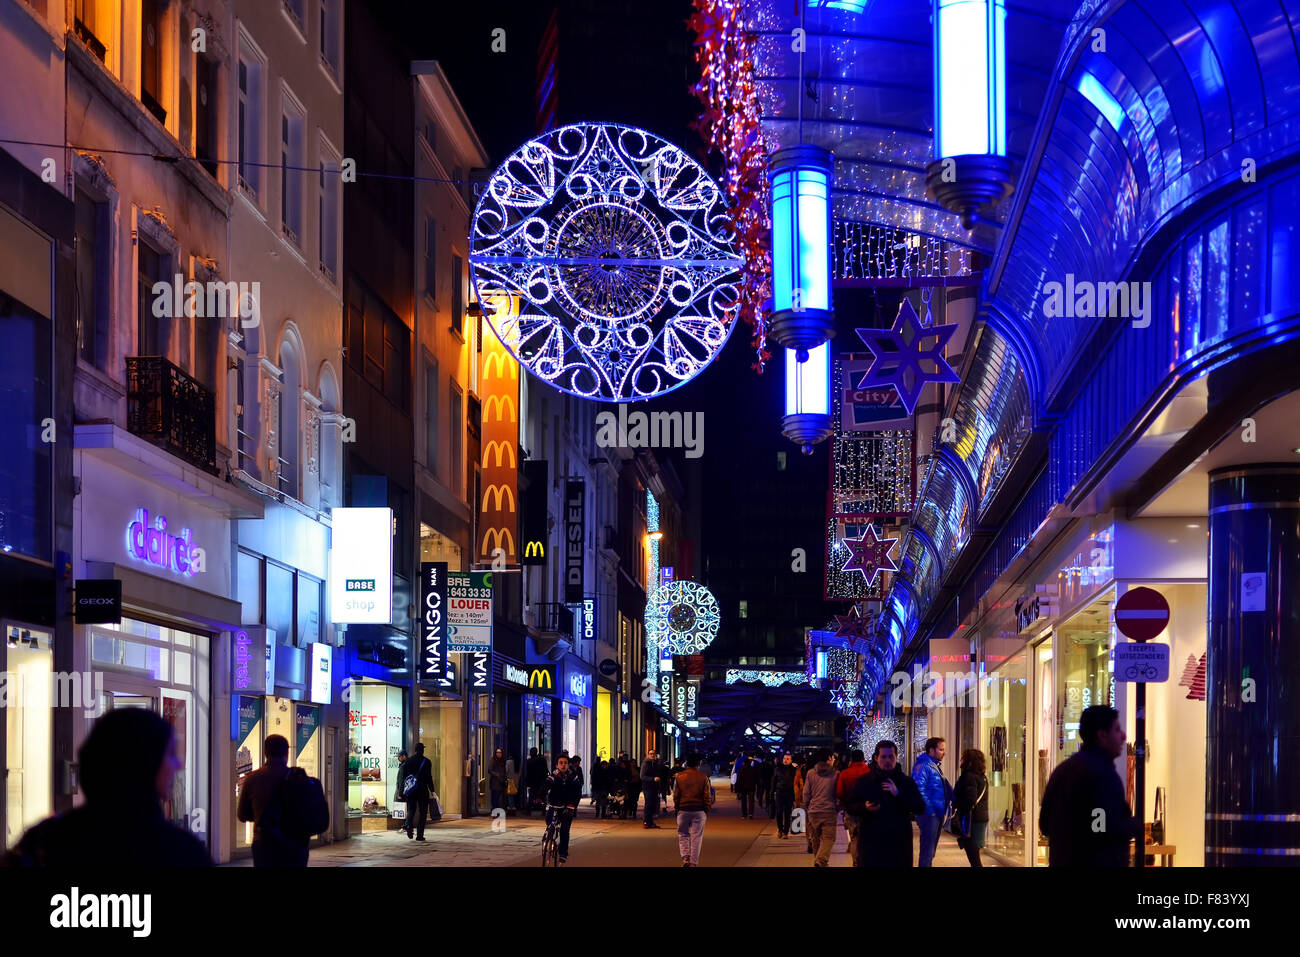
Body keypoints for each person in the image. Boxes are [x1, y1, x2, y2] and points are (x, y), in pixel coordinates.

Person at [5, 708, 211, 867]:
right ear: (145, 762)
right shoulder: (179, 851)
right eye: (170, 754)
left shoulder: (45, 841)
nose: (177, 764)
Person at [1040, 705, 1136, 867]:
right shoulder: (1102, 775)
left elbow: (1045, 824)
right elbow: (1100, 829)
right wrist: (1131, 826)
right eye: (1117, 730)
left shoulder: (1062, 771)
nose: (1123, 736)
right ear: (1102, 735)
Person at [237, 733, 330, 866]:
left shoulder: (252, 778)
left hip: (265, 844)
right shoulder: (299, 779)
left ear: (265, 752)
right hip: (295, 844)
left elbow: (242, 815)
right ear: (286, 753)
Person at [845, 740, 925, 867]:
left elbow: (919, 807)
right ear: (876, 758)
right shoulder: (864, 782)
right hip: (872, 842)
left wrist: (898, 794)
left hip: (898, 843)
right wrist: (864, 807)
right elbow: (850, 806)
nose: (887, 760)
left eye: (891, 756)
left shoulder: (906, 782)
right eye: (883, 757)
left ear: (896, 757)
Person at [912, 737, 951, 867]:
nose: (944, 753)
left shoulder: (933, 765)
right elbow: (918, 788)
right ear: (931, 750)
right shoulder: (924, 765)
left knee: (930, 851)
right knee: (927, 851)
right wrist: (930, 811)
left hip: (936, 814)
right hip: (929, 815)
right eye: (941, 749)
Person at [800, 748, 840, 866]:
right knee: (829, 838)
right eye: (833, 758)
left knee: (816, 839)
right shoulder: (836, 773)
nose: (833, 760)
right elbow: (839, 793)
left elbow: (806, 792)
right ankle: (821, 860)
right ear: (829, 758)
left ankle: (819, 861)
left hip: (813, 811)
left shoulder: (811, 773)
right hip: (829, 810)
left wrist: (806, 806)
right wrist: (838, 806)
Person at [672, 752, 713, 866]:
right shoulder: (703, 777)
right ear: (698, 764)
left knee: (683, 834)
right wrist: (706, 809)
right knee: (696, 837)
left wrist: (677, 808)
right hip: (698, 810)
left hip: (683, 809)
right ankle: (693, 862)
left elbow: (676, 795)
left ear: (686, 764)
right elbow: (707, 796)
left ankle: (685, 858)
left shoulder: (679, 777)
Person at [953, 749, 989, 867]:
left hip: (972, 819)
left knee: (973, 855)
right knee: (974, 853)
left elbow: (970, 800)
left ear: (969, 761)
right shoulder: (982, 777)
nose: (961, 760)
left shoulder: (969, 777)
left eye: (963, 757)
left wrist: (957, 804)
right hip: (979, 818)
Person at [836, 749, 872, 865]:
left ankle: (856, 862)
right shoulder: (869, 772)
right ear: (863, 758)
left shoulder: (845, 773)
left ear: (851, 759)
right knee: (867, 838)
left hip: (851, 810)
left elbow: (840, 792)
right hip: (868, 810)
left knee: (854, 837)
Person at [545, 755, 583, 864]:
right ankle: (549, 837)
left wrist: (573, 805)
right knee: (549, 822)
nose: (563, 765)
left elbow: (577, 792)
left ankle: (563, 853)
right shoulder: (553, 775)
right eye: (560, 763)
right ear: (557, 765)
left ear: (568, 764)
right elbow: (545, 785)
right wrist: (539, 797)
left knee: (564, 831)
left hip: (567, 807)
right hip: (553, 805)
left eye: (565, 763)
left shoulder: (573, 777)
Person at [397, 743, 435, 840]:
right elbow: (429, 777)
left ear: (415, 750)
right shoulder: (427, 762)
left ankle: (409, 826)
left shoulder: (408, 761)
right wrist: (432, 790)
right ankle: (419, 835)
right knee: (423, 812)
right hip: (422, 790)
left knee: (411, 809)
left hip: (411, 790)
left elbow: (403, 779)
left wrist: (401, 792)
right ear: (422, 750)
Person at [772, 753, 798, 839]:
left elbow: (798, 781)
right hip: (780, 792)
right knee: (779, 812)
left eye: (788, 759)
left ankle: (786, 832)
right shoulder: (778, 769)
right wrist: (772, 792)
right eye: (784, 758)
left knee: (787, 813)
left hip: (789, 793)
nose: (785, 760)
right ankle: (780, 829)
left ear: (791, 760)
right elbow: (774, 781)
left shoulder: (794, 769)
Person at [641, 750, 665, 828]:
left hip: (655, 787)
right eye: (650, 754)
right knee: (648, 804)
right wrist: (653, 779)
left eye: (654, 754)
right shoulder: (646, 764)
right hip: (647, 787)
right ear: (648, 755)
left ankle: (650, 822)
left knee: (653, 805)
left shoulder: (655, 763)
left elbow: (661, 771)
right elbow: (642, 776)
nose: (652, 755)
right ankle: (646, 822)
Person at [524, 747, 548, 818]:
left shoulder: (530, 761)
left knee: (531, 796)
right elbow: (545, 770)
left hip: (534, 782)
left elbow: (528, 772)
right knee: (543, 796)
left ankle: (528, 811)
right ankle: (543, 811)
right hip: (542, 781)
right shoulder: (542, 759)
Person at [488, 748, 509, 812]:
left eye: (500, 752)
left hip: (502, 782)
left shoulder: (503, 761)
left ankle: (499, 811)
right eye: (497, 752)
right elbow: (489, 770)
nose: (499, 754)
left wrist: (505, 778)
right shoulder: (493, 760)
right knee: (495, 798)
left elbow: (505, 771)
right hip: (495, 782)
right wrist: (497, 775)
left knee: (500, 798)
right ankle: (495, 811)